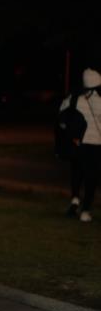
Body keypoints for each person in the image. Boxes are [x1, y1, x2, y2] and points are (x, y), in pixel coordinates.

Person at [62, 67, 101, 222]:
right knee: (91, 176)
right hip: (96, 143)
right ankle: (85, 211)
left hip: (78, 142)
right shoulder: (100, 101)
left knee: (77, 172)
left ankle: (75, 200)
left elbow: (61, 117)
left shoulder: (73, 99)